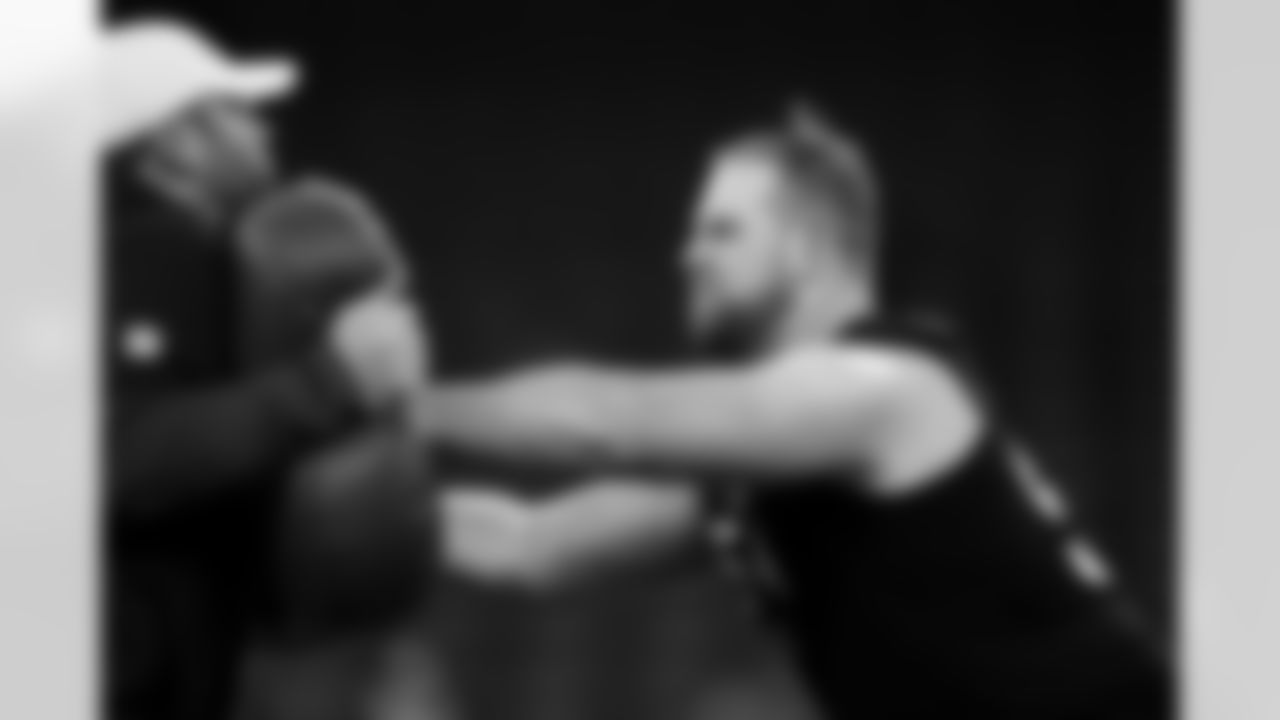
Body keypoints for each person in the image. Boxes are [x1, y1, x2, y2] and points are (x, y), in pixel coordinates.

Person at [402, 102, 1172, 719]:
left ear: (804, 246)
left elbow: (608, 424)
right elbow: (532, 544)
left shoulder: (884, 390)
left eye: (722, 229)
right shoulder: (767, 466)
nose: (687, 253)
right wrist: (314, 483)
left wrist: (395, 404)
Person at [103, 19, 422, 720]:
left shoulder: (182, 255)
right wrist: (335, 381)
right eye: (238, 112)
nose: (266, 130)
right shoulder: (150, 245)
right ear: (179, 141)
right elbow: (116, 455)